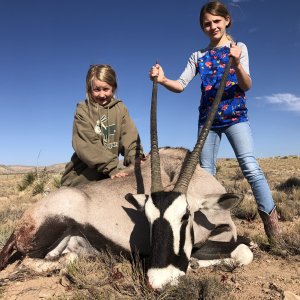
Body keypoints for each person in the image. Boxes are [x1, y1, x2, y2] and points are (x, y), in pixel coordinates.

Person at [149, 1, 281, 245]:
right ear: (202, 27)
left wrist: (237, 63)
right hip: (207, 123)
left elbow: (246, 85)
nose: (212, 27)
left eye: (217, 21)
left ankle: (274, 232)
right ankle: (208, 231)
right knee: (206, 174)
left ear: (227, 20)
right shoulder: (198, 56)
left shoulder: (238, 48)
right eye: (207, 24)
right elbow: (180, 85)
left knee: (250, 168)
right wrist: (164, 79)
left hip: (236, 118)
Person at [61, 64, 144, 187]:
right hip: (82, 178)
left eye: (106, 89)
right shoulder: (82, 110)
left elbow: (130, 137)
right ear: (89, 89)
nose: (101, 95)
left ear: (113, 88)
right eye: (97, 89)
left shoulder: (120, 109)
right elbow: (88, 145)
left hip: (108, 175)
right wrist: (111, 168)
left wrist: (135, 157)